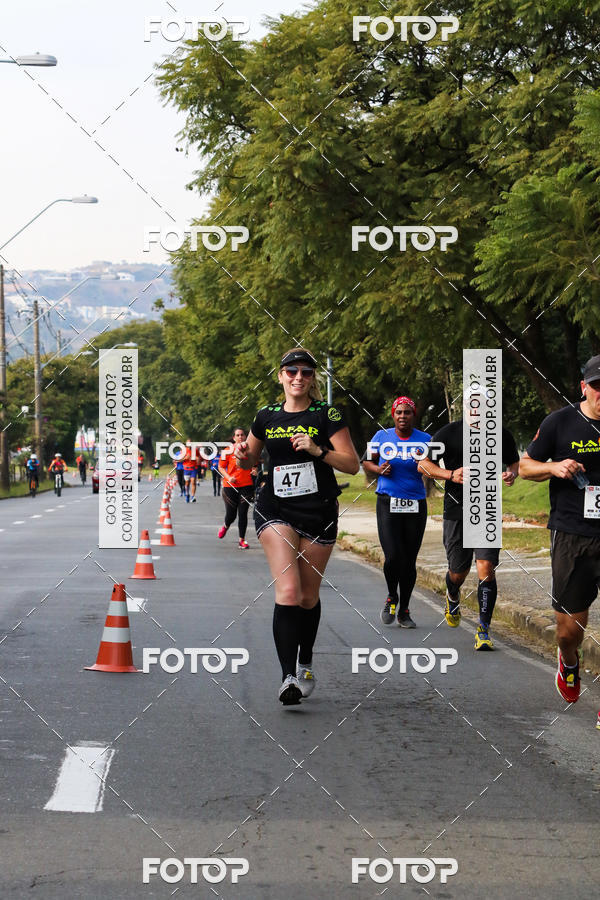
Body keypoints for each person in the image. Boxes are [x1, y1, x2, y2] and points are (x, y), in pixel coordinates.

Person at [234, 348, 360, 705]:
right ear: (281, 376)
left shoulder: (327, 414)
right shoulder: (266, 415)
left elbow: (351, 465)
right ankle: (288, 677)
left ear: (312, 378)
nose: (298, 378)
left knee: (307, 595)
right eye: (291, 371)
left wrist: (317, 450)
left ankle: (305, 662)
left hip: (318, 509)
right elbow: (253, 457)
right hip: (275, 508)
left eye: (305, 372)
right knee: (288, 591)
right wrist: (244, 453)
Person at [519, 355, 600, 726]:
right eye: (597, 387)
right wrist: (553, 466)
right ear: (584, 387)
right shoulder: (561, 422)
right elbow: (525, 467)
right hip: (572, 534)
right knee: (570, 630)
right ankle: (569, 662)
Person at [417, 400, 519, 651]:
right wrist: (451, 474)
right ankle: (453, 594)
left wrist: (511, 474)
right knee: (457, 572)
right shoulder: (448, 433)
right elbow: (423, 464)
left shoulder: (500, 434)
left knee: (486, 566)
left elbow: (514, 463)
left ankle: (483, 630)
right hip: (456, 511)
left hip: (487, 511)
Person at [362, 396, 430, 628]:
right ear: (393, 415)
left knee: (409, 561)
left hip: (415, 503)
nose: (403, 416)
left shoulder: (426, 439)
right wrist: (379, 469)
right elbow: (366, 462)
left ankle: (405, 611)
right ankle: (392, 596)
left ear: (414, 415)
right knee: (392, 557)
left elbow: (433, 467)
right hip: (387, 502)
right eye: (399, 412)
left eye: (407, 413)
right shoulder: (381, 437)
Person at [218, 428, 255, 548]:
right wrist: (228, 477)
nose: (240, 437)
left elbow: (255, 465)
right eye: (237, 435)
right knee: (231, 514)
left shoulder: (250, 450)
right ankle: (226, 525)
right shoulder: (227, 451)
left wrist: (255, 470)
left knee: (243, 513)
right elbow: (221, 467)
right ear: (234, 438)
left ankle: (242, 540)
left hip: (246, 485)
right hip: (231, 486)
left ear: (245, 437)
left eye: (242, 435)